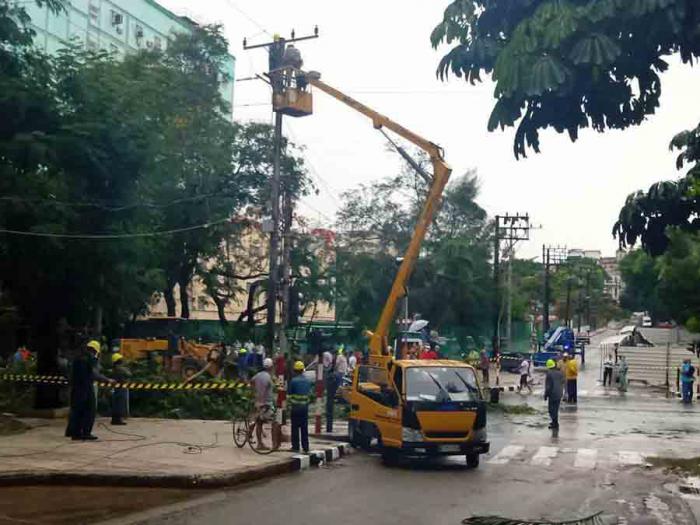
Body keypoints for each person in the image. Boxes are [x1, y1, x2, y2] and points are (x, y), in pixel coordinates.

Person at [65, 340, 114, 441]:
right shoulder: (88, 359)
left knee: (76, 411)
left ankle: (75, 433)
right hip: (86, 388)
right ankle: (86, 433)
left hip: (75, 388)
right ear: (95, 350)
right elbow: (93, 374)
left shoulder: (77, 358)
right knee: (89, 411)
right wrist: (107, 379)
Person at [249, 358, 278, 450]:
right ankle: (275, 444)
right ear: (271, 367)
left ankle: (259, 443)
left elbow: (251, 381)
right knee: (275, 422)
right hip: (266, 404)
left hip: (258, 402)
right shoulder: (268, 377)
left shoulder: (258, 375)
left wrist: (254, 392)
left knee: (259, 423)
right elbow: (270, 388)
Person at [288, 360, 313, 453]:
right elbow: (310, 395)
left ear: (295, 370)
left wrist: (289, 405)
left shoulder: (293, 381)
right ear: (303, 370)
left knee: (294, 428)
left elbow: (289, 396)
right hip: (304, 408)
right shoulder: (307, 381)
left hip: (295, 408)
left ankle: (295, 447)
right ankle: (305, 447)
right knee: (304, 428)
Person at [110, 353, 131, 426]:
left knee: (116, 403)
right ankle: (118, 420)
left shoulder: (114, 368)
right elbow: (129, 374)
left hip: (116, 388)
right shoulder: (120, 368)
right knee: (120, 403)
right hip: (121, 388)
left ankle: (115, 419)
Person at [544, 359, 564, 431]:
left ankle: (555, 423)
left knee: (551, 409)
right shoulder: (560, 373)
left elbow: (548, 386)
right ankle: (555, 422)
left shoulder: (549, 374)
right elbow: (563, 382)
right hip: (559, 393)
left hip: (552, 394)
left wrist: (546, 395)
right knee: (556, 408)